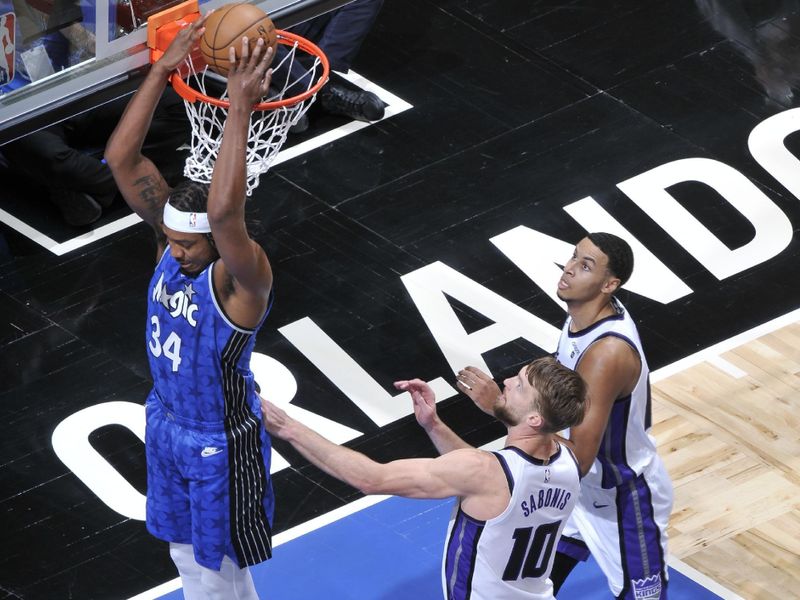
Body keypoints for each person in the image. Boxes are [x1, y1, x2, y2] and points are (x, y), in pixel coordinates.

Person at [105, 15, 276, 599]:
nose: (174, 253)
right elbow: (123, 161)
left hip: (220, 440)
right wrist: (161, 69)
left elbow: (227, 216)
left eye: (187, 245)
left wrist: (239, 108)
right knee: (183, 556)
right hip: (165, 422)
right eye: (170, 241)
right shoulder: (174, 240)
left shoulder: (240, 279)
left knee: (223, 568)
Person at [262, 356, 588, 600]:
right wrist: (433, 425)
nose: (504, 383)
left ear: (534, 417)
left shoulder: (484, 471)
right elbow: (486, 479)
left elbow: (370, 478)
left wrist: (287, 427)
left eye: (518, 385)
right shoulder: (567, 462)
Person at [456, 233, 673, 599]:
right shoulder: (580, 316)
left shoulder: (605, 355)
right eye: (574, 257)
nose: (569, 269)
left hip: (619, 496)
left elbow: (582, 459)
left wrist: (502, 408)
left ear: (609, 284)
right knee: (525, 580)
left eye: (585, 266)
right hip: (575, 491)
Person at [279, 0, 385, 131]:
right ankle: (320, 93)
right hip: (259, 33)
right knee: (254, 33)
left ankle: (306, 78)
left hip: (285, 19)